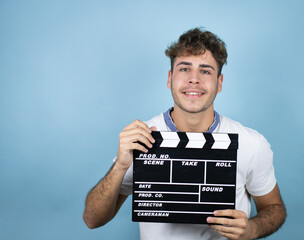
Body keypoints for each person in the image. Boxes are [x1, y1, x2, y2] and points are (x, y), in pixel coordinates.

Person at [83, 28, 286, 240]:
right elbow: (92, 219)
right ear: (170, 79)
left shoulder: (251, 143)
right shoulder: (141, 138)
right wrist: (120, 166)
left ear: (220, 83)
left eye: (206, 71)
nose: (194, 79)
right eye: (184, 69)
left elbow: (274, 207)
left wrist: (252, 229)